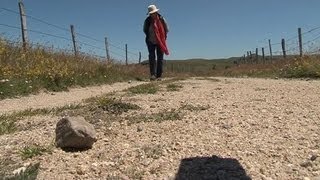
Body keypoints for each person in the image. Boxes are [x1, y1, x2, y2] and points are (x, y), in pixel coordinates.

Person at [143, 4, 169, 81]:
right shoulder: (147, 21)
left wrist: (161, 37)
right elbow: (145, 30)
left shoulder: (162, 19)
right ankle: (153, 75)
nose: (152, 14)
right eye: (151, 13)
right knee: (152, 57)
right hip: (150, 41)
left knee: (160, 57)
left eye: (153, 13)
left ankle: (159, 76)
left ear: (156, 12)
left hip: (160, 41)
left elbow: (166, 29)